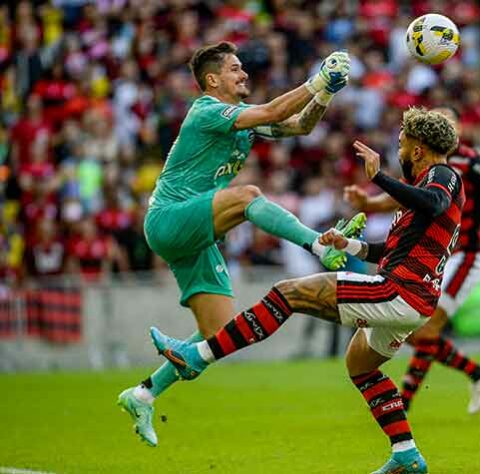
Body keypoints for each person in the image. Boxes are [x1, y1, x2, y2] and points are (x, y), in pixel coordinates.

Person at [146, 107, 463, 473]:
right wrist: (349, 245)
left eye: (402, 145)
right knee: (360, 366)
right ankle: (406, 453)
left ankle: (198, 356)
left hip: (402, 292)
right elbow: (389, 250)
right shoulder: (421, 194)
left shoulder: (441, 174)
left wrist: (380, 178)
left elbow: (436, 203)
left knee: (289, 293)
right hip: (408, 295)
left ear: (418, 150)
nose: (400, 151)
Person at [116, 42, 365, 447]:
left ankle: (144, 394)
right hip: (170, 218)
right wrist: (318, 77)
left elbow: (300, 125)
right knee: (248, 194)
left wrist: (326, 92)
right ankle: (321, 246)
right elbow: (272, 112)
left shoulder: (241, 121)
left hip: (194, 233)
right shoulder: (206, 109)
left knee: (218, 334)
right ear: (212, 80)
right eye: (235, 69)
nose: (243, 74)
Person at [345, 106, 480, 414]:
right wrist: (370, 203)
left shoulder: (469, 162)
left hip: (465, 256)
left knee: (425, 329)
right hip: (432, 258)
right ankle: (477, 373)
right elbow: (408, 196)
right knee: (416, 331)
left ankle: (405, 402)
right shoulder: (424, 168)